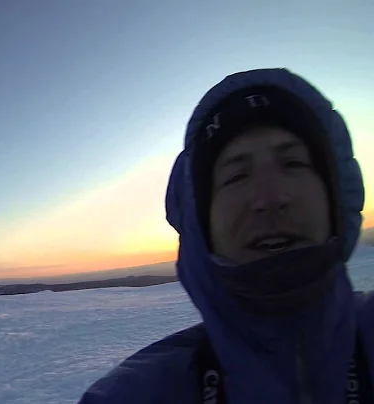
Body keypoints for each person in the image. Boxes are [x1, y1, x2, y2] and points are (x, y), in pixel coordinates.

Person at [78, 68, 372, 403]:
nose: (270, 198)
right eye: (236, 176)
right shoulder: (137, 394)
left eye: (293, 163)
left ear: (335, 196)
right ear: (202, 224)